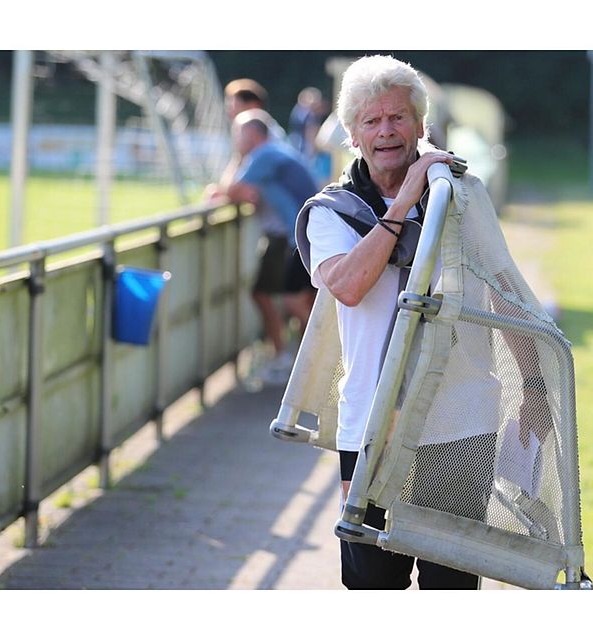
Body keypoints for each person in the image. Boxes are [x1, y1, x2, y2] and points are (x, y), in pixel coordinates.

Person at [297, 54, 487, 589]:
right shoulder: (330, 212)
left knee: (451, 588)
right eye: (371, 121)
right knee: (372, 584)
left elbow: (500, 293)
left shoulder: (462, 196)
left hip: (461, 421)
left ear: (420, 126)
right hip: (372, 423)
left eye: (398, 117)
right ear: (352, 135)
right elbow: (351, 286)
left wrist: (537, 392)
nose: (386, 131)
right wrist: (405, 200)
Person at [208, 109, 318, 382]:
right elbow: (247, 193)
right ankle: (306, 363)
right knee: (292, 299)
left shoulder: (264, 155)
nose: (235, 140)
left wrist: (221, 189)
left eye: (238, 133)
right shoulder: (278, 152)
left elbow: (233, 189)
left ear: (254, 134)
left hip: (294, 237)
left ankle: (312, 363)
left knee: (293, 301)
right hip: (300, 233)